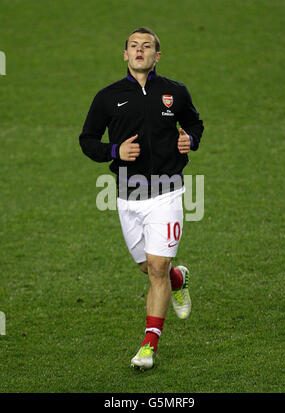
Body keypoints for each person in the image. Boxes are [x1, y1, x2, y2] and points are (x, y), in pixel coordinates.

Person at [79, 27, 204, 370]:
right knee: (148, 268)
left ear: (156, 56)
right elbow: (87, 140)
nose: (139, 50)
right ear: (125, 55)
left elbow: (195, 124)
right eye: (133, 45)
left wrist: (189, 140)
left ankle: (149, 345)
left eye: (146, 46)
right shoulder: (107, 97)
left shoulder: (175, 92)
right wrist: (116, 150)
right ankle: (179, 280)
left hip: (167, 191)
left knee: (157, 268)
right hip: (127, 197)